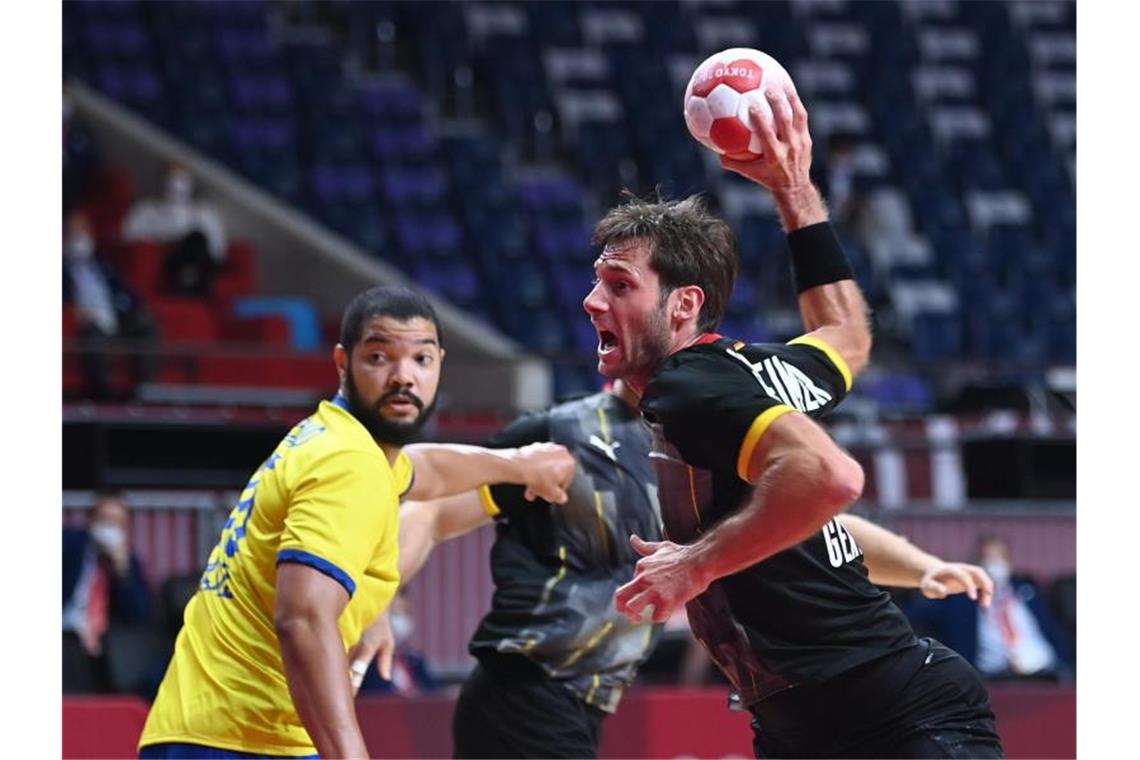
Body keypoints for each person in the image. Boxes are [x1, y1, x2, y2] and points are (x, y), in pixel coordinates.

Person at [587, 89, 1003, 757]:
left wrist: (693, 567)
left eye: (618, 284)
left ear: (685, 304)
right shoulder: (751, 372)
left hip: (890, 718)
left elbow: (829, 475)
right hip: (809, 725)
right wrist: (794, 188)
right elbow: (845, 333)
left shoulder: (687, 387)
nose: (591, 300)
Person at [137, 285, 576, 760]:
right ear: (343, 363)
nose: (403, 376)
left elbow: (424, 471)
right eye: (380, 357)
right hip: (243, 741)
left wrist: (515, 463)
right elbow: (303, 618)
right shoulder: (349, 462)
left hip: (210, 728)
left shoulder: (335, 437)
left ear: (440, 365)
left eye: (421, 360)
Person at [350, 378, 661, 758]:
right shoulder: (564, 434)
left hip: (583, 702)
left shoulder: (700, 451)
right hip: (525, 692)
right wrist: (376, 601)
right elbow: (433, 509)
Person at [904, 533, 1071, 680]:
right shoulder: (960, 597)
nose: (995, 564)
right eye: (988, 558)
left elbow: (1052, 630)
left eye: (1000, 557)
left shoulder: (1028, 589)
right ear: (977, 563)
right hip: (993, 678)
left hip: (1045, 673)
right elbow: (915, 614)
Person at [63, 492, 153, 694]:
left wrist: (122, 571)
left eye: (116, 523)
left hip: (103, 645)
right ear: (91, 520)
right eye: (105, 520)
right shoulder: (69, 545)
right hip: (66, 633)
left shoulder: (130, 563)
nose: (109, 528)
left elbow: (138, 614)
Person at [63, 209, 158, 400]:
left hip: (115, 316)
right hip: (88, 319)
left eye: (84, 231)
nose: (80, 237)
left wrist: (135, 308)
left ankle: (144, 388)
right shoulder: (60, 268)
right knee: (93, 334)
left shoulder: (102, 265)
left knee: (145, 324)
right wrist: (75, 312)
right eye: (75, 232)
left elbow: (128, 294)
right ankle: (105, 391)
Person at [121, 162, 227, 297]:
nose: (176, 184)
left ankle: (191, 281)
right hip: (165, 258)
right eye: (171, 178)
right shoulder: (146, 209)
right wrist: (162, 244)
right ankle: (184, 283)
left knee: (197, 238)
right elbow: (128, 236)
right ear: (162, 181)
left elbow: (218, 249)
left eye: (182, 179)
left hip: (200, 260)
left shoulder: (203, 212)